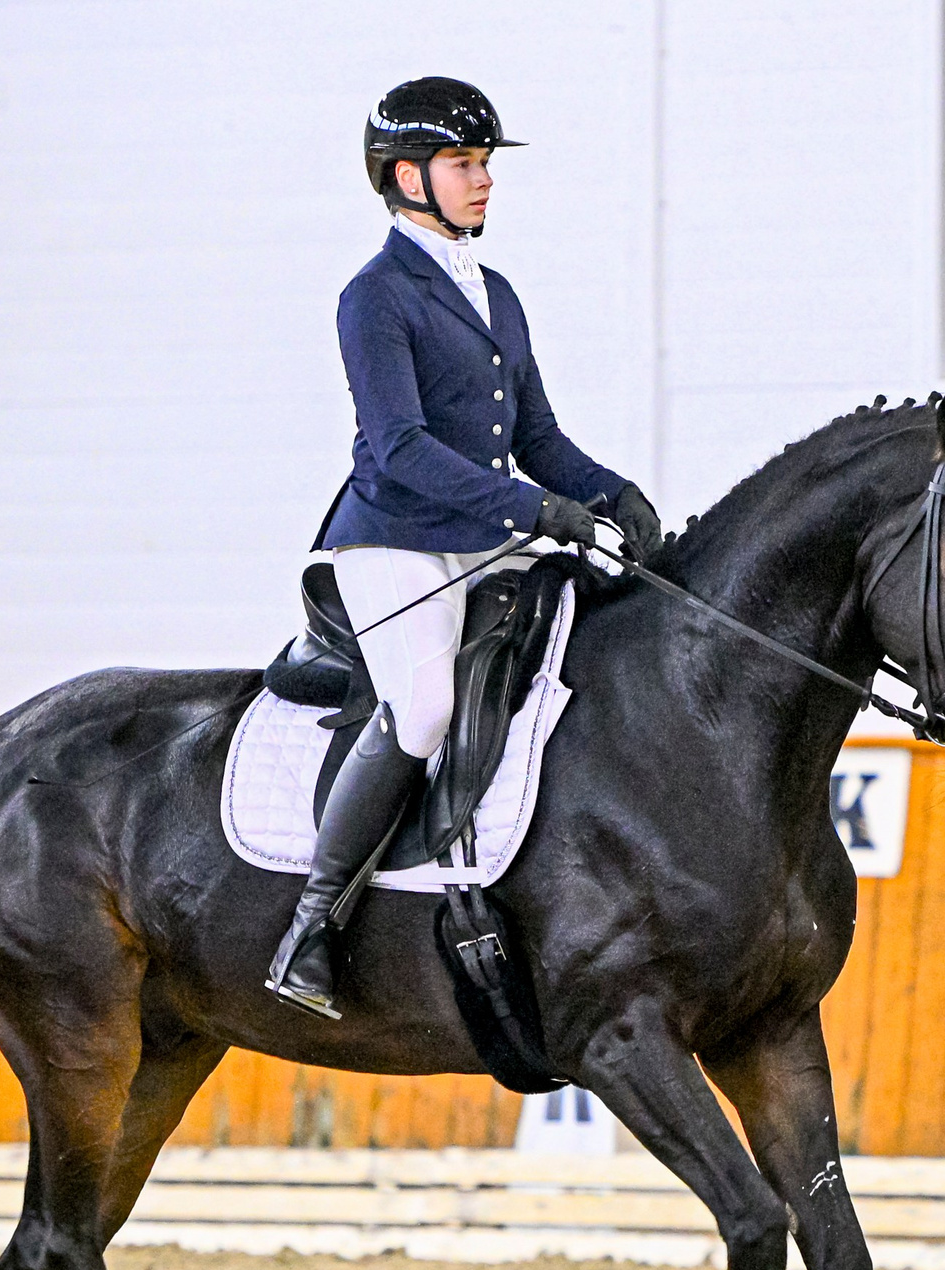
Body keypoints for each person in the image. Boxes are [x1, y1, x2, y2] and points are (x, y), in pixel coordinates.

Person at [266, 76, 664, 1017]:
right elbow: (402, 450)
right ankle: (311, 927)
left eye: (485, 164)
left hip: (486, 535)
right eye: (463, 164)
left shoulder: (496, 291)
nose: (482, 181)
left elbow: (539, 439)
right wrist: (535, 511)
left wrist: (607, 492)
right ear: (406, 175)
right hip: (395, 539)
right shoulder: (373, 297)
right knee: (426, 704)